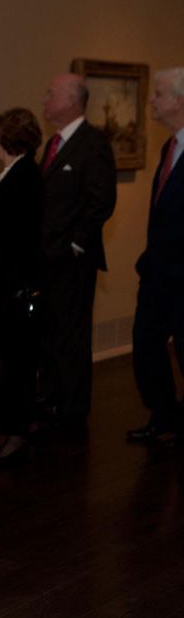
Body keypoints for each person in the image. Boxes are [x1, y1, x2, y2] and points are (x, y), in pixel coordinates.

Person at [39, 73, 117, 429]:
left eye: (51, 93)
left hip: (72, 262)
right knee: (53, 333)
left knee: (71, 335)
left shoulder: (93, 143)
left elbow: (102, 201)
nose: (45, 99)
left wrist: (75, 245)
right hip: (48, 259)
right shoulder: (53, 143)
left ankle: (72, 411)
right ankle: (54, 401)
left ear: (71, 100)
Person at [0, 108, 44, 469]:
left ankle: (17, 433)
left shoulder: (23, 178)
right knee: (15, 361)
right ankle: (19, 426)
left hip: (13, 290)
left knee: (16, 363)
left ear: (2, 142)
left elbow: (16, 237)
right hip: (9, 286)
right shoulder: (20, 173)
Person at [127, 67, 184, 445]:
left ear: (179, 101)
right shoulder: (169, 147)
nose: (151, 102)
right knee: (146, 345)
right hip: (158, 273)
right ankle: (164, 416)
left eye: (158, 94)